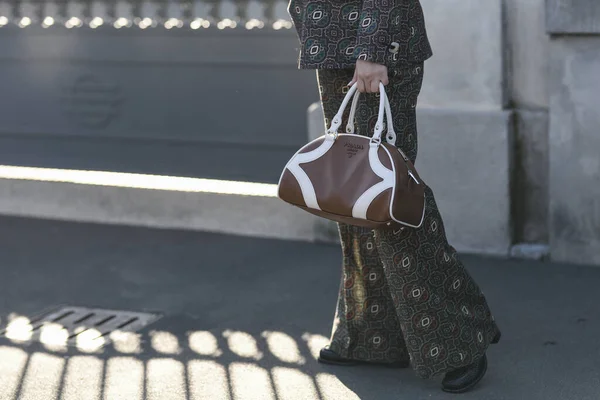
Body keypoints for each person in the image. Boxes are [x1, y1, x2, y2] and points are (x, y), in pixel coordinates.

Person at [287, 0, 501, 394]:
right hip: (333, 40)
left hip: (372, 45)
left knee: (388, 196)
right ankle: (372, 338)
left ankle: (461, 340)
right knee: (350, 194)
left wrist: (373, 49)